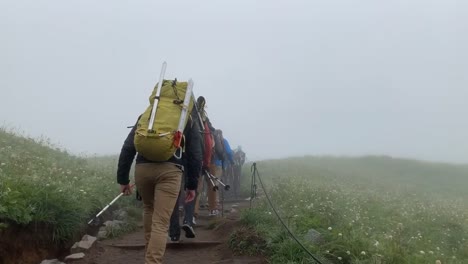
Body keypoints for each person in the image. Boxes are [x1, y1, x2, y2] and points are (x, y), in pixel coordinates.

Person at [116, 109, 202, 264]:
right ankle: (152, 261)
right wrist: (192, 185)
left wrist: (123, 179)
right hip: (170, 170)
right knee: (161, 222)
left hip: (143, 168)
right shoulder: (187, 119)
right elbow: (195, 154)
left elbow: (129, 146)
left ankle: (149, 255)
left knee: (149, 209)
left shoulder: (147, 115)